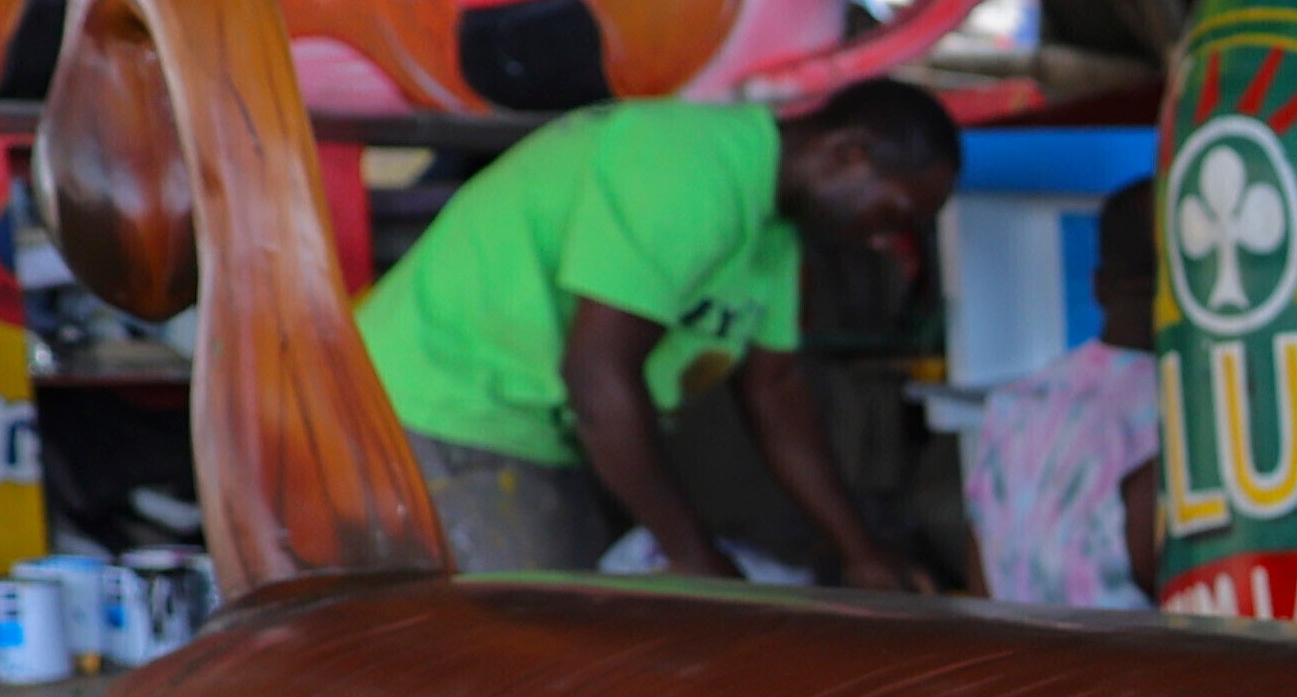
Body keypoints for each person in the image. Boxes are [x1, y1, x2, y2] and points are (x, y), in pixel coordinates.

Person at [351, 82, 957, 586]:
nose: (884, 241)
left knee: (592, 638)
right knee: (534, 663)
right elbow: (597, 377)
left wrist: (861, 553)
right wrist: (693, 555)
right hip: (436, 409)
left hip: (526, 429)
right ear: (847, 154)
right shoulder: (690, 166)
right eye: (892, 215)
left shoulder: (773, 235)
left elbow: (775, 394)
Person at [963, 164, 1170, 611]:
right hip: (1136, 673)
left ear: (1100, 287)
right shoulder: (1184, 406)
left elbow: (980, 570)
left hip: (1021, 668)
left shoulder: (1014, 402)